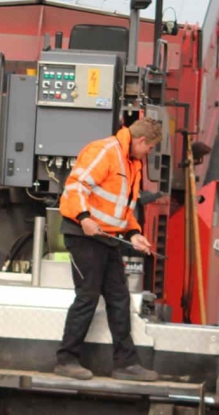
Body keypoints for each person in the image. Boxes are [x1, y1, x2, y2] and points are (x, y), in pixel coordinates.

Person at [54, 117, 164, 382]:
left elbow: (123, 210)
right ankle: (66, 359)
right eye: (149, 148)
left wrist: (135, 234)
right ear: (140, 141)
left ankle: (126, 364)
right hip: (83, 234)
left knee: (119, 298)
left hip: (108, 238)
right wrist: (84, 218)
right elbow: (76, 185)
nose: (149, 153)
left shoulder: (132, 163)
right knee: (87, 297)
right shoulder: (105, 151)